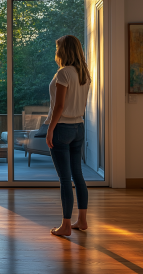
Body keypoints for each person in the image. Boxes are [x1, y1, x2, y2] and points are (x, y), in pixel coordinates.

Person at [45, 35, 91, 236]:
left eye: (58, 48)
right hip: (79, 127)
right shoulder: (84, 74)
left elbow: (59, 106)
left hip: (62, 129)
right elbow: (83, 105)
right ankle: (81, 221)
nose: (57, 52)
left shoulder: (64, 73)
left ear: (64, 50)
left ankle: (65, 225)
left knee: (65, 179)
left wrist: (50, 129)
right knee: (78, 175)